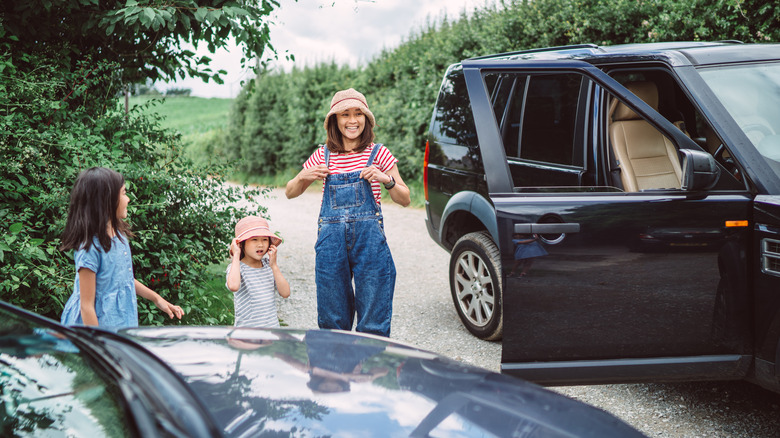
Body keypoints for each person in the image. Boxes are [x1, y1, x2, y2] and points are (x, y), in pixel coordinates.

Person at [285, 88, 410, 337]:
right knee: (333, 320)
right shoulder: (323, 155)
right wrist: (303, 176)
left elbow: (405, 199)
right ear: (335, 120)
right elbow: (290, 192)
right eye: (345, 114)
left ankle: (370, 370)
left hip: (370, 244)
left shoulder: (379, 153)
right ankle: (336, 371)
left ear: (366, 119)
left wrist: (386, 179)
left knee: (373, 321)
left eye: (358, 114)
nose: (352, 121)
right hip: (331, 245)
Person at [60, 167, 184, 328]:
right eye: (124, 193)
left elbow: (123, 280)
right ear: (106, 201)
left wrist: (157, 299)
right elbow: (86, 306)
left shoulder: (119, 235)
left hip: (118, 319)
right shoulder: (89, 249)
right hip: (94, 328)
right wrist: (99, 345)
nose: (128, 199)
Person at [226, 216, 291, 328]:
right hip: (247, 334)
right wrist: (236, 254)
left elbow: (285, 293)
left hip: (271, 331)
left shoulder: (268, 266)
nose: (260, 244)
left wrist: (274, 266)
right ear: (241, 244)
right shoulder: (237, 267)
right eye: (254, 239)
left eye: (265, 239)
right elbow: (233, 286)